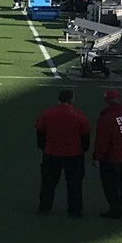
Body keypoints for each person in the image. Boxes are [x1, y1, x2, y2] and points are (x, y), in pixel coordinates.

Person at [35, 88, 90, 217]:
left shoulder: (47, 114)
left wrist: (44, 147)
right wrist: (83, 150)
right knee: (74, 184)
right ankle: (75, 210)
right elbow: (85, 136)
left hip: (51, 154)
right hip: (74, 155)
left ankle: (45, 207)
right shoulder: (78, 116)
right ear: (71, 100)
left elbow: (40, 133)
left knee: (48, 183)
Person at [94, 89, 122, 220]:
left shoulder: (106, 118)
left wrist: (97, 156)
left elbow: (102, 140)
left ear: (106, 100)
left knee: (111, 184)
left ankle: (115, 209)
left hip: (111, 157)